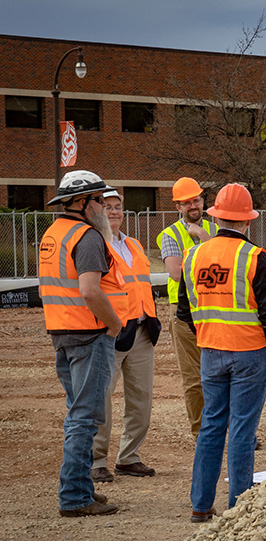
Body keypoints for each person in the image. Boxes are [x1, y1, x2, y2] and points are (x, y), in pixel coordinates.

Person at [177, 183, 266, 522]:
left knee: (211, 426)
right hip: (250, 352)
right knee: (241, 429)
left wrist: (207, 332)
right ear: (247, 221)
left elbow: (184, 312)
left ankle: (201, 505)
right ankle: (239, 506)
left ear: (216, 217)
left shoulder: (194, 256)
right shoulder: (254, 257)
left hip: (211, 351)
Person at [38, 170, 125, 517]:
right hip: (89, 335)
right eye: (99, 201)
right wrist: (115, 325)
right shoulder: (87, 237)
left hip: (61, 333)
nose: (104, 207)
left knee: (77, 414)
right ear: (81, 203)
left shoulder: (53, 234)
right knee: (85, 418)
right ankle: (75, 496)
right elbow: (90, 290)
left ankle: (81, 488)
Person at [90, 190, 161, 483]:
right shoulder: (95, 244)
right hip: (110, 332)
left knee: (141, 401)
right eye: (107, 207)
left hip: (142, 331)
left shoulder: (134, 245)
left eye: (118, 207)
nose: (114, 212)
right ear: (97, 212)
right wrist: (111, 326)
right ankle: (96, 461)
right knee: (101, 401)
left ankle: (129, 457)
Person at [156, 177, 218, 439]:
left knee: (222, 374)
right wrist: (207, 253)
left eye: (196, 199)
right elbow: (176, 273)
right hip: (184, 314)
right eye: (187, 202)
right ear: (178, 207)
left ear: (203, 201)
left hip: (217, 310)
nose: (193, 205)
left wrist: (204, 239)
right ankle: (202, 432)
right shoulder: (170, 235)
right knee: (194, 379)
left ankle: (227, 428)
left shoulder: (214, 230)